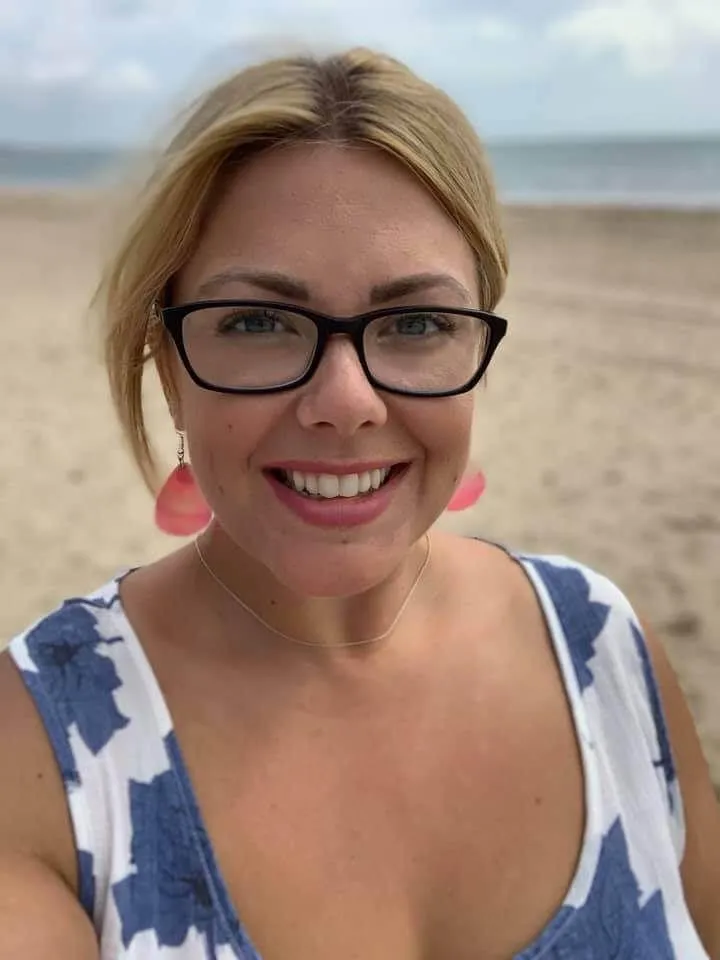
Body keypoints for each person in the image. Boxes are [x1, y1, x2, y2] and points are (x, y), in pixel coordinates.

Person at [0, 47, 718, 960]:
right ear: (167, 365)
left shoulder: (602, 646)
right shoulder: (39, 749)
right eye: (257, 322)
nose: (346, 400)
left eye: (416, 323)